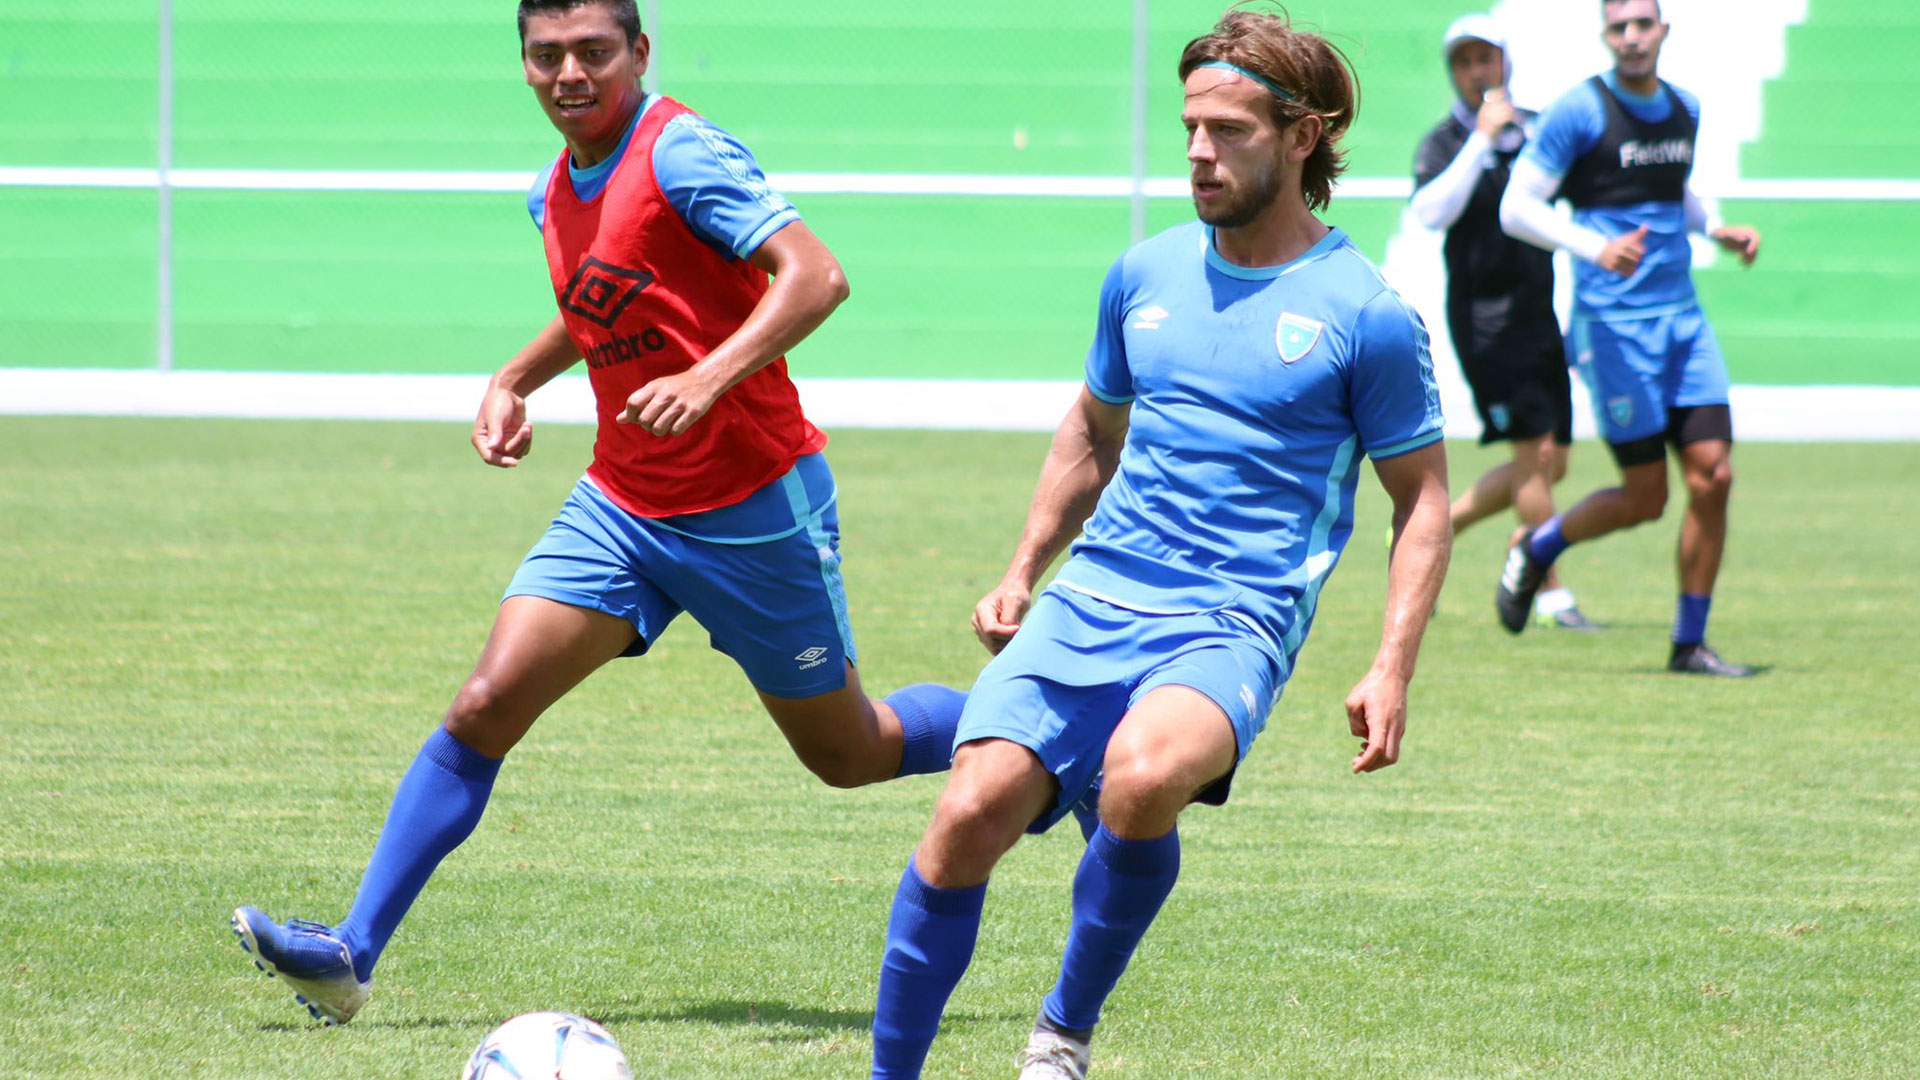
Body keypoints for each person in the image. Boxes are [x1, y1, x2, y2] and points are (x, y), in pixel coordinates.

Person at [229, 0, 967, 1025]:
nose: (570, 72)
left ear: (637, 54)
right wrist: (515, 376)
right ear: (524, 66)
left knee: (851, 753)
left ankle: (1030, 737)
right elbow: (605, 304)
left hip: (753, 508)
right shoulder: (554, 190)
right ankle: (351, 955)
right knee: (485, 704)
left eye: (593, 51)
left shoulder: (683, 153)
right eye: (547, 55)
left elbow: (816, 277)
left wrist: (708, 379)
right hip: (621, 504)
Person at [865, 10, 1452, 1078]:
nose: (1197, 151)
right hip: (1096, 594)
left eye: (1228, 130)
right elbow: (1093, 427)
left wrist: (1390, 665)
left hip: (1234, 618)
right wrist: (1020, 569)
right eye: (1189, 126)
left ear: (1302, 137)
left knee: (1139, 779)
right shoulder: (1143, 274)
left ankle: (1062, 1034)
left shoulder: (1367, 315)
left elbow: (1424, 502)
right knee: (965, 814)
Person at [1496, 0, 1762, 675]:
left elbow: (1673, 193)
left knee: (1715, 477)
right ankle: (1538, 547)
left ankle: (1688, 643)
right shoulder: (1579, 111)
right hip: (1614, 329)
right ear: (1605, 36)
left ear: (1664, 31)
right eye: (1620, 27)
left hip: (1684, 323)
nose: (1633, 36)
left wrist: (1715, 229)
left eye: (1643, 23)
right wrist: (1592, 247)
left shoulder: (1685, 107)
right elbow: (1517, 208)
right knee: (1647, 498)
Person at [1412, 14, 1596, 631]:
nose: (1475, 72)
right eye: (1463, 62)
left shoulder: (1539, 130)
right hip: (1485, 322)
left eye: (1484, 58)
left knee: (1549, 465)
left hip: (1539, 313)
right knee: (1532, 456)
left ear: (1505, 63)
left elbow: (1580, 190)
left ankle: (1434, 528)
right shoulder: (1444, 142)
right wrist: (1479, 142)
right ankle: (1550, 594)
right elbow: (1431, 213)